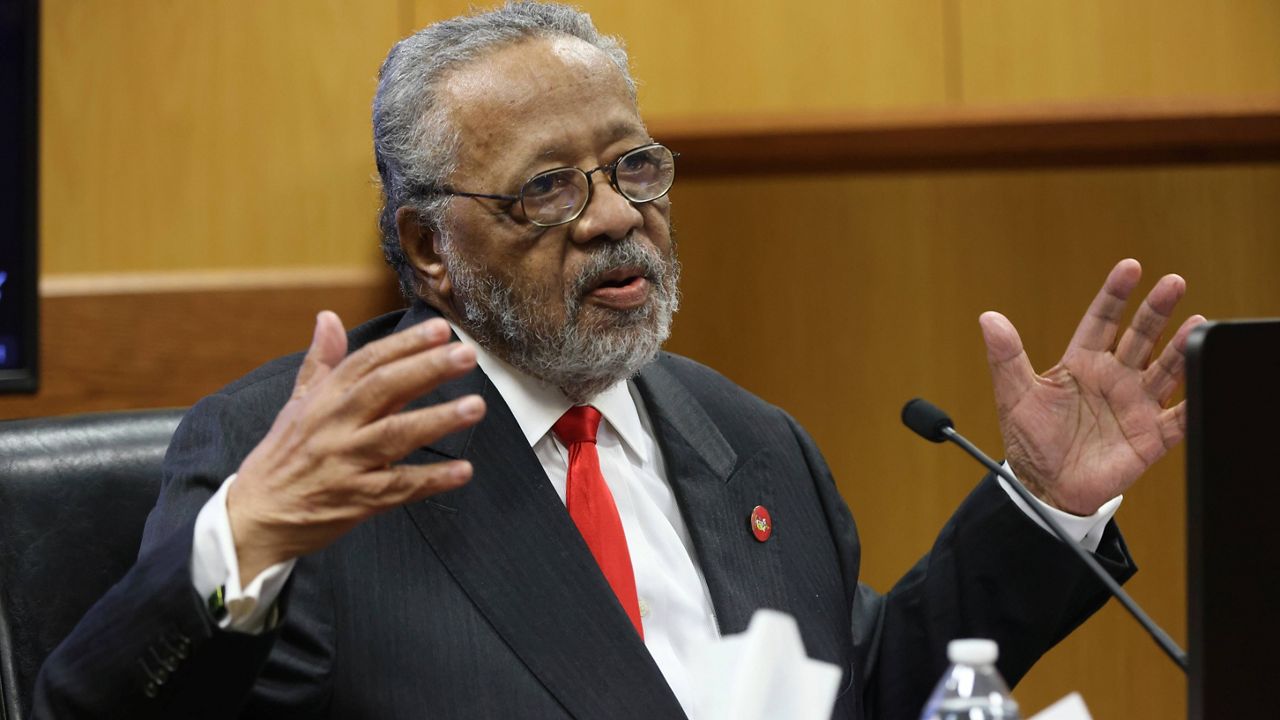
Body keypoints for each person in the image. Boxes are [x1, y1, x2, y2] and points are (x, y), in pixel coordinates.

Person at [34, 3, 1202, 719]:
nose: (609, 218)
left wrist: (1042, 507)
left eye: (633, 167)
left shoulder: (747, 441)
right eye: (547, 188)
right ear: (428, 248)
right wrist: (245, 544)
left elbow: (864, 695)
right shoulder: (299, 465)